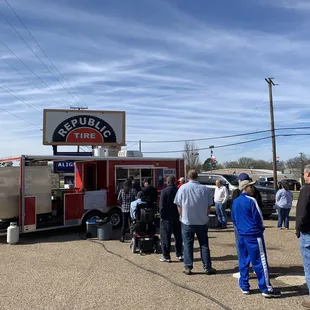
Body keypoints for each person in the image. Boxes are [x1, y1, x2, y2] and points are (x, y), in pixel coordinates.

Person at [232, 179, 281, 298]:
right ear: (246, 188)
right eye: (251, 186)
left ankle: (244, 285)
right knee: (260, 261)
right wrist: (260, 229)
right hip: (253, 235)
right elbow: (258, 217)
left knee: (243, 261)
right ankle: (266, 288)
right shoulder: (251, 200)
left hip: (242, 234)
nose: (253, 188)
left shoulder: (235, 201)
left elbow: (234, 218)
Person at [174, 169, 216, 275]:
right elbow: (209, 205)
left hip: (187, 220)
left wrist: (182, 216)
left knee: (188, 244)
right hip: (201, 221)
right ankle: (207, 266)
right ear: (197, 177)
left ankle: (188, 266)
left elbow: (178, 205)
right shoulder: (204, 189)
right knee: (204, 244)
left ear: (188, 177)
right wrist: (205, 214)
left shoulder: (183, 188)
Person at [232, 173, 262, 279]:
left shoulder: (240, 194)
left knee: (243, 251)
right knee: (251, 251)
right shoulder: (253, 193)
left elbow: (234, 213)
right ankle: (250, 270)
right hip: (250, 227)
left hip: (244, 227)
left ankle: (246, 271)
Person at [158, 175, 183, 263]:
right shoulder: (179, 190)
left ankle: (166, 256)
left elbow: (161, 206)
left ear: (167, 182)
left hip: (167, 217)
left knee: (166, 237)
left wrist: (161, 216)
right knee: (178, 237)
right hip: (177, 216)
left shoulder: (164, 191)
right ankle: (179, 254)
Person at [296, 164, 310, 309]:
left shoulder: (306, 190)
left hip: (308, 234)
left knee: (309, 268)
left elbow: (301, 215)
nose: (304, 176)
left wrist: (298, 229)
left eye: (305, 174)